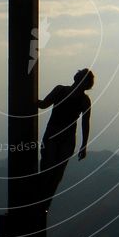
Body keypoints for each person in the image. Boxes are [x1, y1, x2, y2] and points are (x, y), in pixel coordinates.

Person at [38, 68, 94, 213]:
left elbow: (43, 104)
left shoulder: (71, 95)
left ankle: (44, 205)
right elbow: (43, 104)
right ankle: (40, 203)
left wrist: (84, 145)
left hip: (62, 138)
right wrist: (83, 146)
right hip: (58, 137)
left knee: (54, 173)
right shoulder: (65, 92)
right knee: (50, 171)